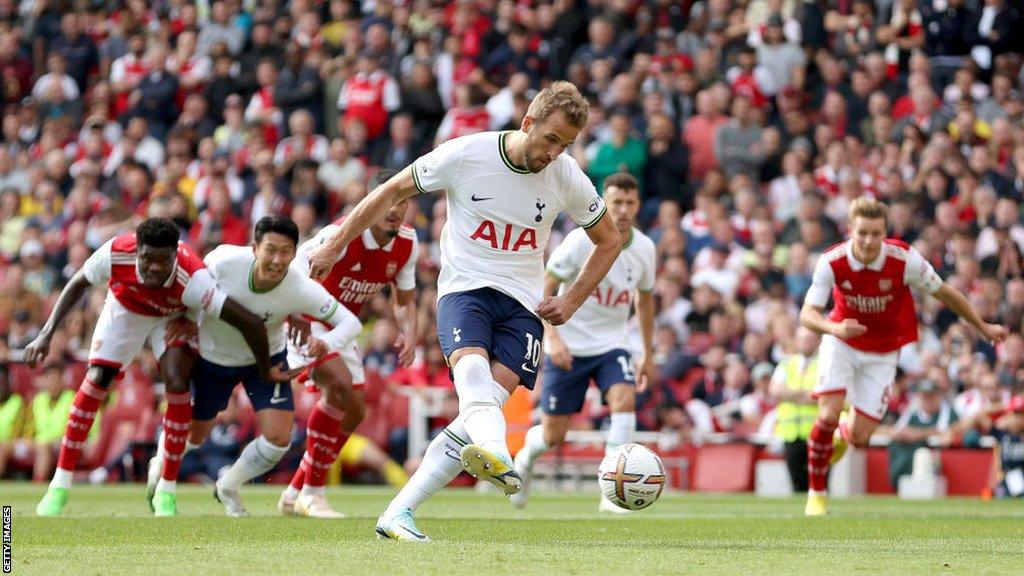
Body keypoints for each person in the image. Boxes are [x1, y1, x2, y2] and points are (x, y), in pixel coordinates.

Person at [307, 81, 620, 541]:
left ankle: (398, 512)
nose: (555, 152)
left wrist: (572, 298)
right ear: (527, 122)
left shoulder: (567, 176)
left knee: (482, 405)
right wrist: (335, 243)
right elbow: (391, 190)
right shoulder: (465, 154)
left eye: (566, 144)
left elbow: (610, 239)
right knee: (473, 378)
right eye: (551, 139)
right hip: (466, 290)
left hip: (523, 305)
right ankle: (499, 455)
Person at [30, 217, 281, 517]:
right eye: (147, 259)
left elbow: (248, 322)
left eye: (164, 261)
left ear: (176, 255)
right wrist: (46, 332)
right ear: (137, 251)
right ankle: (59, 486)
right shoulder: (115, 252)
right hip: (125, 309)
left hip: (171, 317)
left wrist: (264, 368)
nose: (154, 267)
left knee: (177, 380)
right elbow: (78, 282)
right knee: (97, 378)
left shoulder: (195, 279)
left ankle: (166, 490)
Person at [799, 197, 1007, 516]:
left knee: (860, 438)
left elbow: (946, 293)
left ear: (885, 232)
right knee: (826, 414)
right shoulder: (832, 261)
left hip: (882, 353)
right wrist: (835, 329)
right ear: (850, 230)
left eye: (876, 233)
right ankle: (817, 494)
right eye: (862, 233)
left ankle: (843, 433)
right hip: (841, 343)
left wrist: (982, 326)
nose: (869, 241)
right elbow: (807, 314)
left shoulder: (904, 260)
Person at [182, 216, 363, 518]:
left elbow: (350, 322)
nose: (277, 260)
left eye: (285, 252)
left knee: (280, 438)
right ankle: (160, 469)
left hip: (265, 358)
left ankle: (228, 485)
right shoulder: (223, 260)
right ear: (255, 248)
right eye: (270, 250)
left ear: (295, 255)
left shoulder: (299, 287)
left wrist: (326, 343)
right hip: (218, 353)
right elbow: (195, 284)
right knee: (196, 433)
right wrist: (186, 321)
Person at [509, 172, 656, 513]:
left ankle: (611, 492)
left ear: (637, 206)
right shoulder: (579, 241)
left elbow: (645, 300)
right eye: (616, 202)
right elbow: (545, 285)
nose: (622, 210)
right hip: (569, 346)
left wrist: (648, 352)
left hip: (612, 344)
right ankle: (525, 459)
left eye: (629, 203)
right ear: (604, 200)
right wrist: (552, 337)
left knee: (624, 400)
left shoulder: (646, 249)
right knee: (552, 436)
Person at [277, 169, 419, 518]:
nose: (394, 209)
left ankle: (295, 491)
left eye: (401, 202)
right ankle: (314, 493)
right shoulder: (337, 236)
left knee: (354, 411)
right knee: (338, 387)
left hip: (343, 329)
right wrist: (293, 311)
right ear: (369, 203)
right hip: (306, 323)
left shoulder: (407, 244)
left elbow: (404, 299)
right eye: (386, 200)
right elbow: (291, 270)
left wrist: (410, 332)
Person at [769, 326, 820, 493]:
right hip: (791, 432)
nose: (805, 343)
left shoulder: (826, 363)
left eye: (809, 339)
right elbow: (775, 390)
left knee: (819, 482)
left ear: (818, 341)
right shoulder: (787, 363)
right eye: (802, 339)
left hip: (818, 432)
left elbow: (826, 395)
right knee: (797, 483)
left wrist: (790, 394)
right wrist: (805, 394)